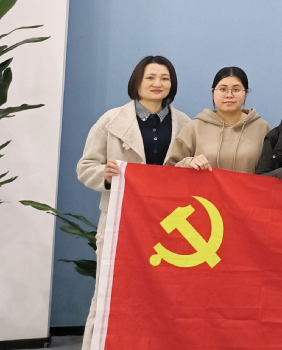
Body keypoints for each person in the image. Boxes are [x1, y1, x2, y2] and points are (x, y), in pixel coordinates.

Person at [76, 55, 191, 350]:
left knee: (165, 293)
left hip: (169, 224)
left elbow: (188, 170)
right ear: (137, 82)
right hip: (120, 220)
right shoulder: (110, 121)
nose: (157, 83)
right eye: (150, 77)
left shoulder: (186, 124)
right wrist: (105, 176)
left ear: (172, 84)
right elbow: (85, 167)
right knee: (110, 290)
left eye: (164, 78)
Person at [166, 66, 270, 173]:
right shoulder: (194, 128)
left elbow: (271, 171)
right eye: (223, 89)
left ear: (246, 93)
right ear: (213, 92)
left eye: (236, 90)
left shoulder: (262, 128)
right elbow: (170, 169)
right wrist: (188, 162)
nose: (229, 95)